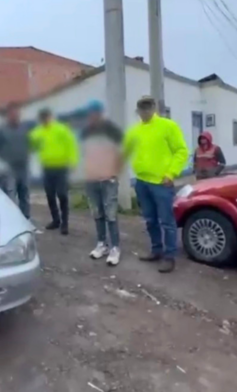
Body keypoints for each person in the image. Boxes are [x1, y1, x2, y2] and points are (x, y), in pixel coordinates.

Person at [123, 96, 189, 273]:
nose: (145, 111)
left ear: (154, 108)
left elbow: (181, 151)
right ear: (137, 111)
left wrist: (171, 173)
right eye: (142, 108)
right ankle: (156, 250)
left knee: (167, 221)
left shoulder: (168, 126)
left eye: (148, 107)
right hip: (142, 182)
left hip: (161, 183)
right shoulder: (134, 131)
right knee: (150, 220)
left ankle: (170, 256)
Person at [81, 100, 124, 266]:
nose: (92, 117)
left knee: (110, 214)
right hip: (92, 179)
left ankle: (115, 248)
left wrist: (115, 172)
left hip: (108, 179)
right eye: (90, 114)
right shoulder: (85, 132)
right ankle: (102, 244)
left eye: (94, 113)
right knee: (97, 213)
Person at [29, 108, 78, 235]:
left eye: (47, 117)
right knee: (50, 195)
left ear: (51, 117)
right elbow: (31, 145)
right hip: (47, 168)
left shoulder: (61, 129)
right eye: (43, 119)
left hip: (61, 167)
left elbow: (71, 144)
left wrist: (73, 161)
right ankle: (56, 220)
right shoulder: (37, 132)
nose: (45, 120)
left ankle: (65, 223)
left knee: (62, 194)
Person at [0, 103, 31, 219]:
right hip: (9, 168)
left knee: (25, 194)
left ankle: (26, 219)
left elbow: (30, 144)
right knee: (10, 194)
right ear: (8, 115)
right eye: (12, 113)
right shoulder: (1, 130)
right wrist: (4, 159)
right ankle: (12, 219)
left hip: (23, 166)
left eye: (17, 113)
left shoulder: (25, 129)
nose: (15, 116)